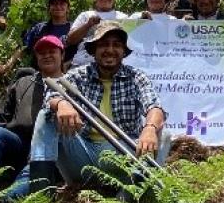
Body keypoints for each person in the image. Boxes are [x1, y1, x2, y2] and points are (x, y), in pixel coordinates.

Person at [28, 21, 168, 192]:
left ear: (124, 51)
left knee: (164, 135)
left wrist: (150, 128)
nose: (110, 50)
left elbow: (154, 106)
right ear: (93, 50)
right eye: (103, 44)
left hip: (123, 155)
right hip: (83, 154)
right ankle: (40, 191)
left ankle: (132, 195)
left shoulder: (137, 77)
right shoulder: (79, 74)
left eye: (116, 45)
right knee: (46, 115)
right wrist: (62, 103)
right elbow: (52, 93)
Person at [0, 35, 66, 203]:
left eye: (52, 51)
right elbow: (1, 113)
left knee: (34, 174)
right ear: (36, 57)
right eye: (42, 53)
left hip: (49, 150)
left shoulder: (72, 84)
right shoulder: (23, 82)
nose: (47, 56)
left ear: (62, 55)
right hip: (18, 143)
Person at [0, 0, 77, 76]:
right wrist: (7, 66)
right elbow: (23, 48)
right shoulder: (39, 28)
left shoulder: (74, 29)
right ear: (49, 9)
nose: (58, 6)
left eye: (62, 4)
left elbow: (81, 53)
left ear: (68, 9)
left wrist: (67, 66)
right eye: (54, 4)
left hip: (66, 74)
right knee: (22, 73)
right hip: (39, 73)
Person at [66, 0, 128, 67]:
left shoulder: (124, 17)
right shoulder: (85, 15)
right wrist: (87, 25)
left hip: (113, 62)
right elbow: (70, 40)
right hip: (84, 62)